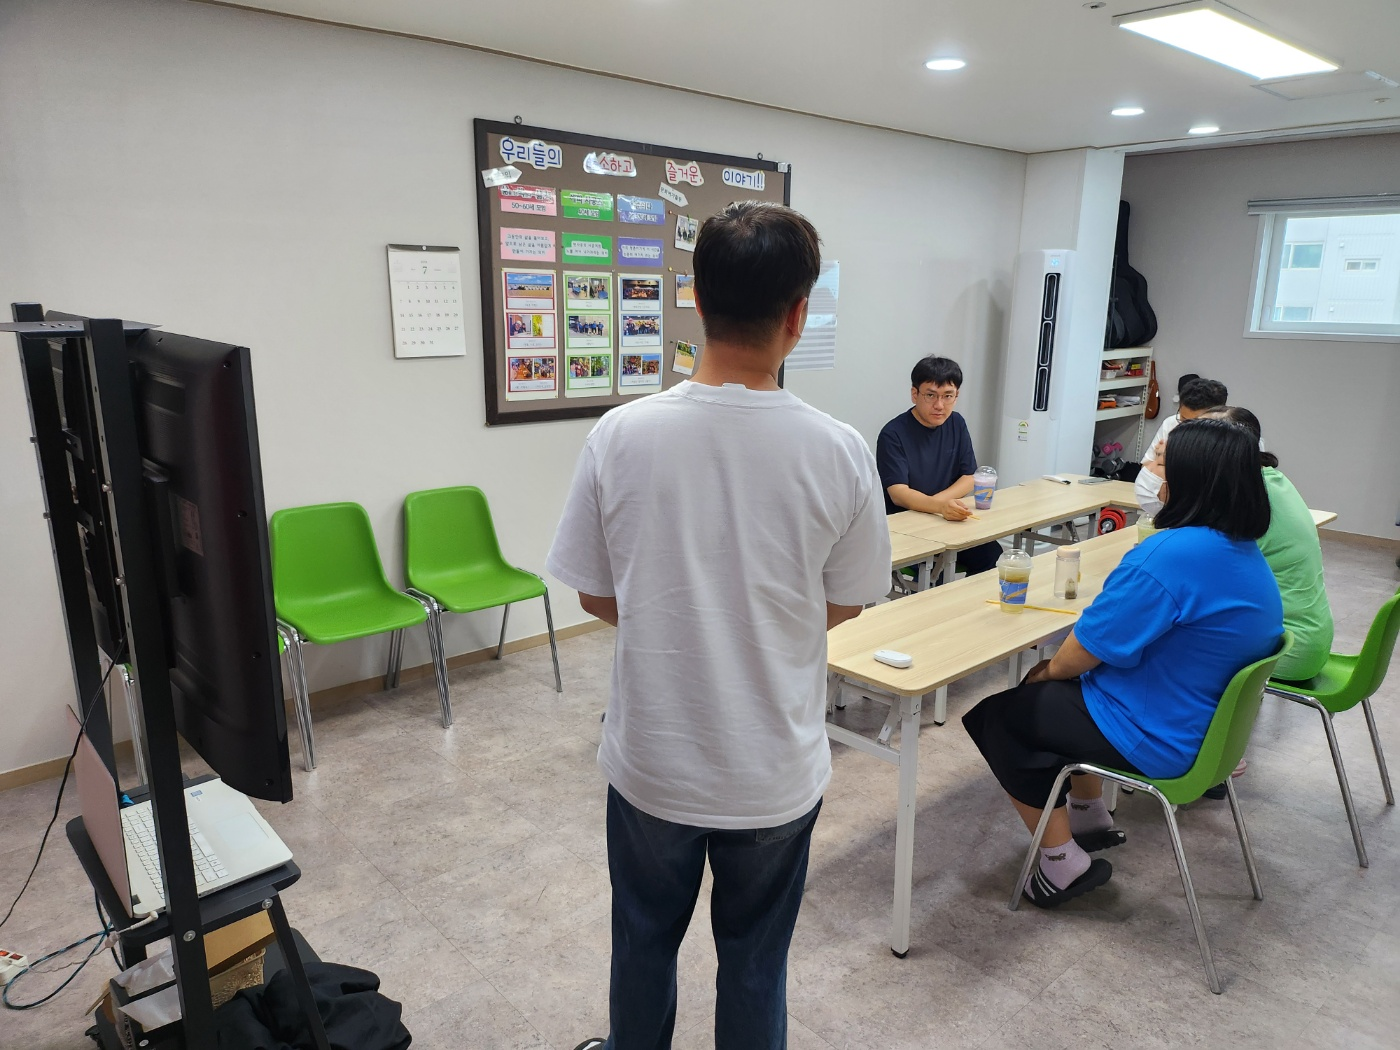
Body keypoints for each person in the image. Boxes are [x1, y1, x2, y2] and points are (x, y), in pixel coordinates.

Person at [548, 201, 891, 1050]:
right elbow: (847, 601)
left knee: (642, 946)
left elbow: (594, 595)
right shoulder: (841, 450)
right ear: (799, 316)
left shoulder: (620, 435)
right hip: (774, 767)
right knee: (755, 963)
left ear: (695, 300)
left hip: (653, 760)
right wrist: (764, 623)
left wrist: (672, 616)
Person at [962, 419, 1282, 907]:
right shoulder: (1242, 552)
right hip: (1206, 732)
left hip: (1162, 738)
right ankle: (1088, 816)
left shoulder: (1172, 554)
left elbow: (1080, 651)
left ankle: (1059, 866)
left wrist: (1041, 675)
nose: (1153, 474)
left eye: (1163, 466)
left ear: (1190, 480)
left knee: (1003, 715)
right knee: (1061, 699)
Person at [1207, 406, 1333, 680]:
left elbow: (1200, 579)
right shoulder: (1271, 481)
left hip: (1287, 648)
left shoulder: (1246, 500)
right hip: (1307, 639)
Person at [875, 356, 1002, 576]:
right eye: (931, 395)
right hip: (907, 526)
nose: (939, 405)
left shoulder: (956, 423)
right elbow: (898, 493)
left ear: (956, 396)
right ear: (914, 394)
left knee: (991, 554)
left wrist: (940, 507)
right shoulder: (893, 434)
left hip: (946, 519)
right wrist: (939, 507)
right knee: (935, 574)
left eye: (947, 396)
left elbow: (968, 477)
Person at [1135, 376, 1228, 515]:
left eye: (1195, 423)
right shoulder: (1171, 424)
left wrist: (1168, 461)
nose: (1185, 428)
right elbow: (1148, 467)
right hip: (1171, 506)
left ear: (1217, 416)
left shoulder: (1233, 438)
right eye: (1183, 419)